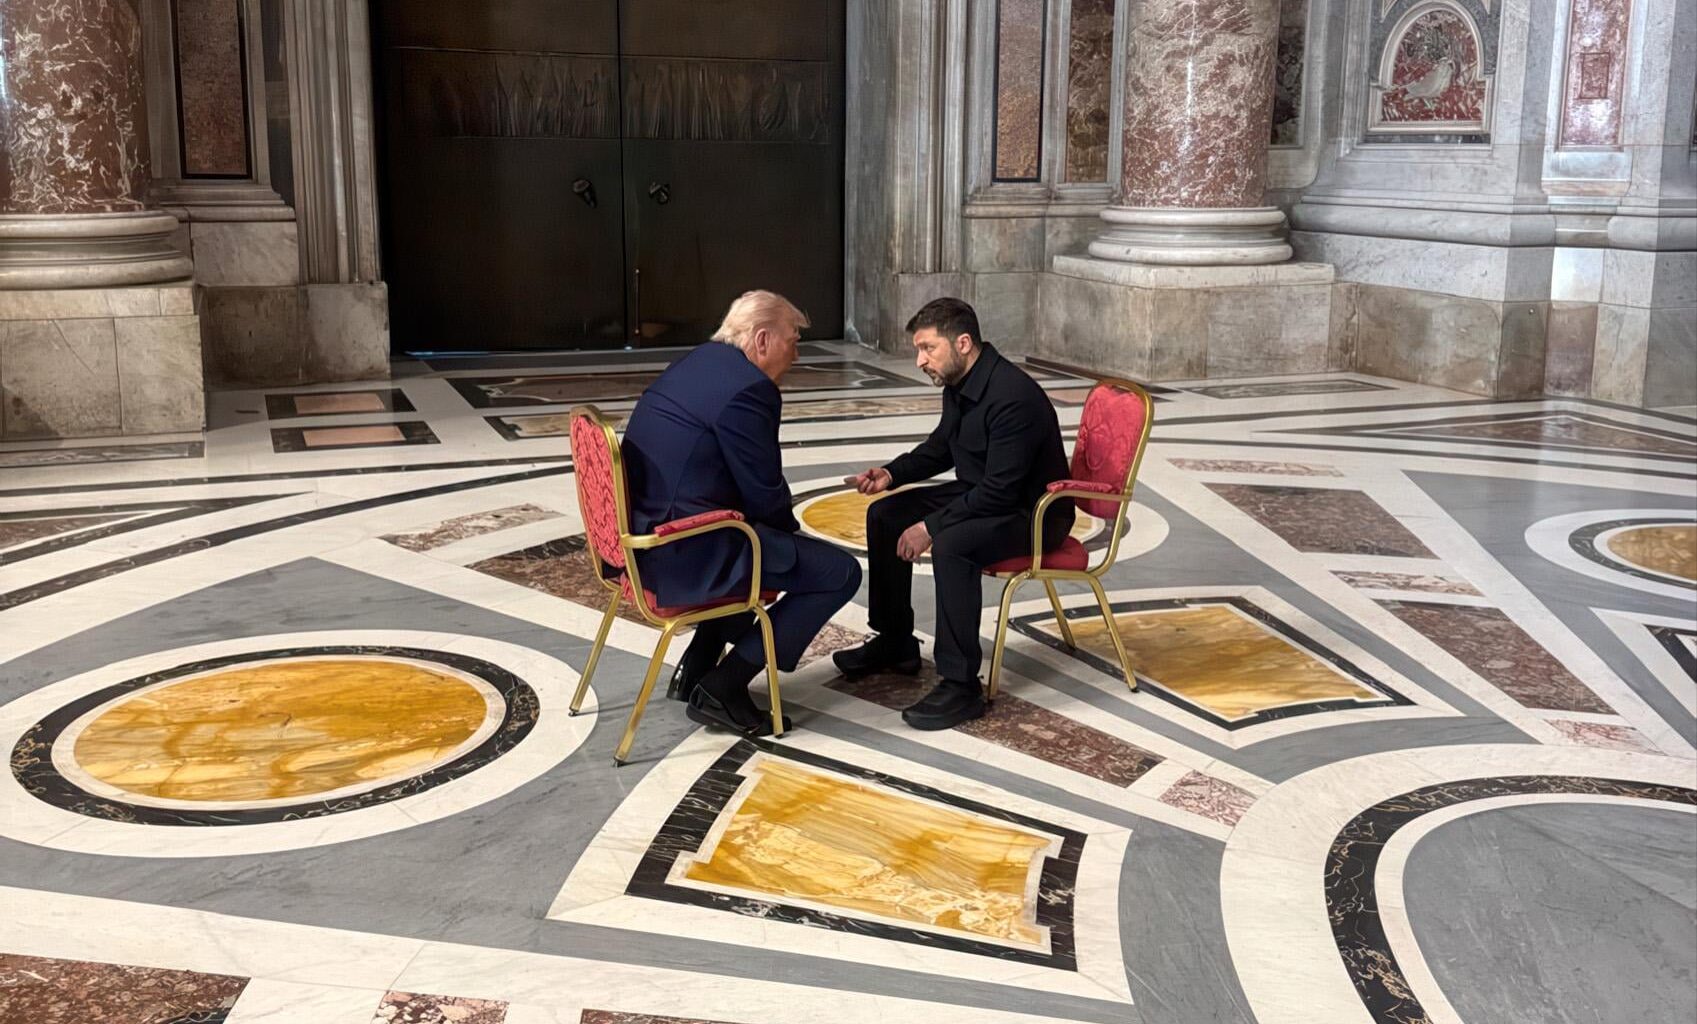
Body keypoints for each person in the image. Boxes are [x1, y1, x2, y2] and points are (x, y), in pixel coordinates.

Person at [620, 290, 861, 735]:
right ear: (763, 339)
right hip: (685, 551)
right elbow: (765, 491)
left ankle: (696, 667)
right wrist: (794, 544)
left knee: (759, 542)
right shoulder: (749, 389)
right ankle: (725, 685)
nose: (796, 352)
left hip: (647, 538)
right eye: (793, 340)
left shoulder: (700, 362)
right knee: (838, 573)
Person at [834, 298, 1072, 730]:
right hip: (984, 494)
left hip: (1031, 514)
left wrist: (930, 526)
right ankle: (895, 642)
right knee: (886, 516)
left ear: (963, 343)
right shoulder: (961, 383)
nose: (920, 360)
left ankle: (961, 684)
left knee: (953, 544)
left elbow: (1001, 492)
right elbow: (942, 447)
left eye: (928, 348)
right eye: (919, 350)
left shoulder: (1012, 397)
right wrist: (891, 474)